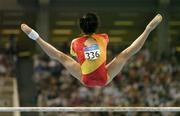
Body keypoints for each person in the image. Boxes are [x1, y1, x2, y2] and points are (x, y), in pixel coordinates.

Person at [21, 13, 162, 87]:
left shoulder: (75, 42)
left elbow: (77, 56)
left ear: (81, 28)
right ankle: (148, 29)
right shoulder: (104, 38)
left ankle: (36, 37)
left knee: (60, 56)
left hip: (86, 79)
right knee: (126, 54)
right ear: (97, 26)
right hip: (103, 78)